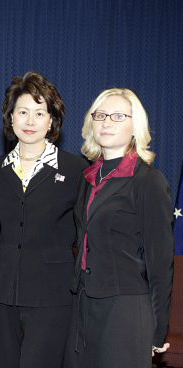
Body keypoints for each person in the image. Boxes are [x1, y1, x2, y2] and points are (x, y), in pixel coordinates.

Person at [0, 71, 88, 368]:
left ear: (52, 120)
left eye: (40, 113)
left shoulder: (77, 170)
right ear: (10, 117)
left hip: (52, 294)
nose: (30, 121)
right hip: (1, 293)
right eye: (23, 112)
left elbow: (87, 232)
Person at [64, 88, 173, 367]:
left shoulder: (148, 181)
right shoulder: (87, 177)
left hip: (125, 312)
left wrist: (158, 331)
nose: (106, 122)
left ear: (135, 127)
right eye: (100, 115)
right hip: (83, 306)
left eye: (118, 116)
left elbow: (160, 264)